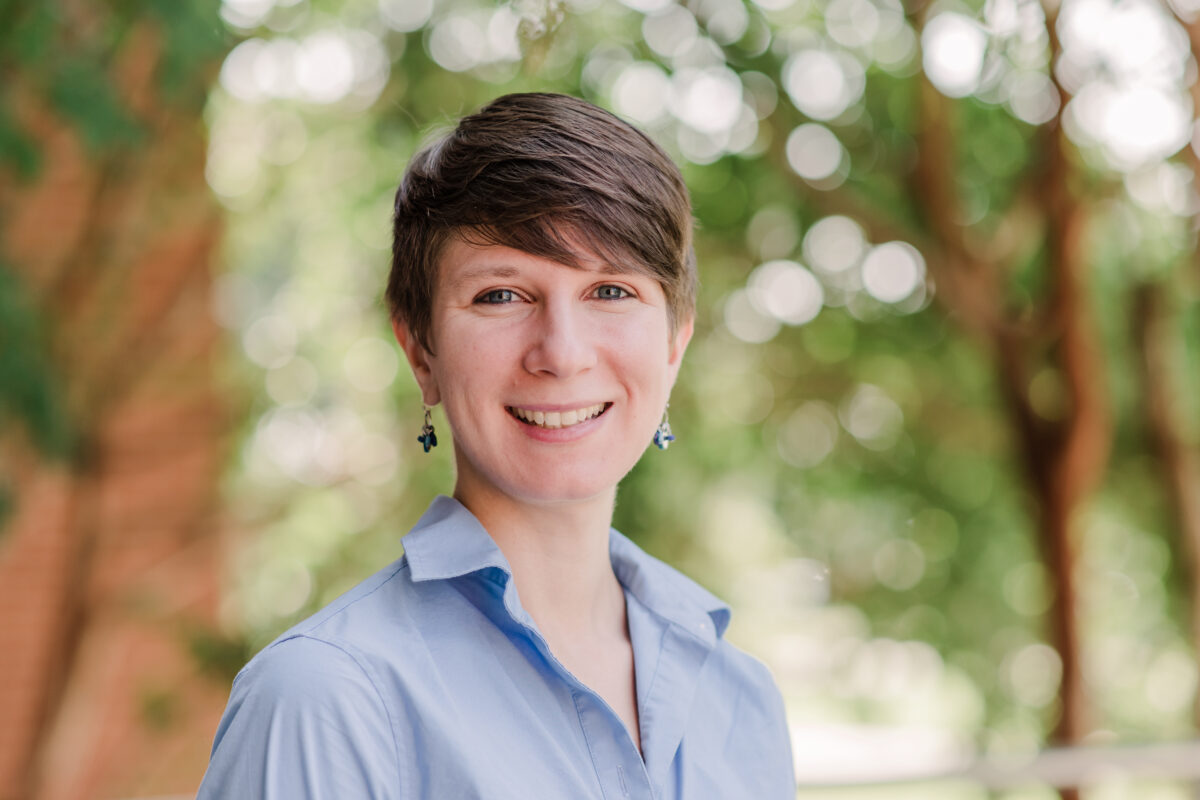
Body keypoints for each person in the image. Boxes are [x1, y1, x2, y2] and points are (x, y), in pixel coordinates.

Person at [198, 92, 795, 799]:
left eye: (609, 290)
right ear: (420, 349)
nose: (562, 354)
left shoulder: (741, 699)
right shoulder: (325, 699)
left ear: (674, 341)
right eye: (502, 296)